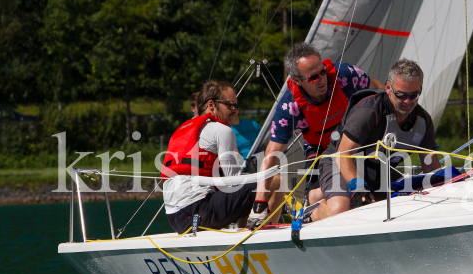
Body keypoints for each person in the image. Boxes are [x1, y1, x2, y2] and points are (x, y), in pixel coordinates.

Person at [247, 42, 382, 229]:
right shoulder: (290, 107)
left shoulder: (345, 75)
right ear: (296, 81)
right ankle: (309, 212)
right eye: (312, 78)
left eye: (322, 72)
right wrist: (259, 202)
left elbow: (379, 92)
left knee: (375, 191)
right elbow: (272, 154)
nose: (321, 80)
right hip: (321, 152)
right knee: (329, 202)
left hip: (357, 144)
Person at [312, 59, 441, 221]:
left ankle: (321, 193)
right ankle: (311, 214)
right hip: (339, 162)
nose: (408, 102)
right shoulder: (368, 111)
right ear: (388, 88)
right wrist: (357, 188)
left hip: (378, 172)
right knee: (341, 210)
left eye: (413, 95)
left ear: (420, 89)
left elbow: (432, 168)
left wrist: (447, 187)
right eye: (401, 95)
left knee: (404, 207)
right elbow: (343, 154)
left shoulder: (423, 121)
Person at [161, 80, 255, 234]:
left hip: (175, 218)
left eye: (236, 106)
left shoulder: (184, 128)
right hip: (198, 211)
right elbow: (234, 181)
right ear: (211, 105)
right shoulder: (222, 130)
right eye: (230, 105)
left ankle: (243, 230)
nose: (235, 111)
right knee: (264, 184)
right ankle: (251, 232)